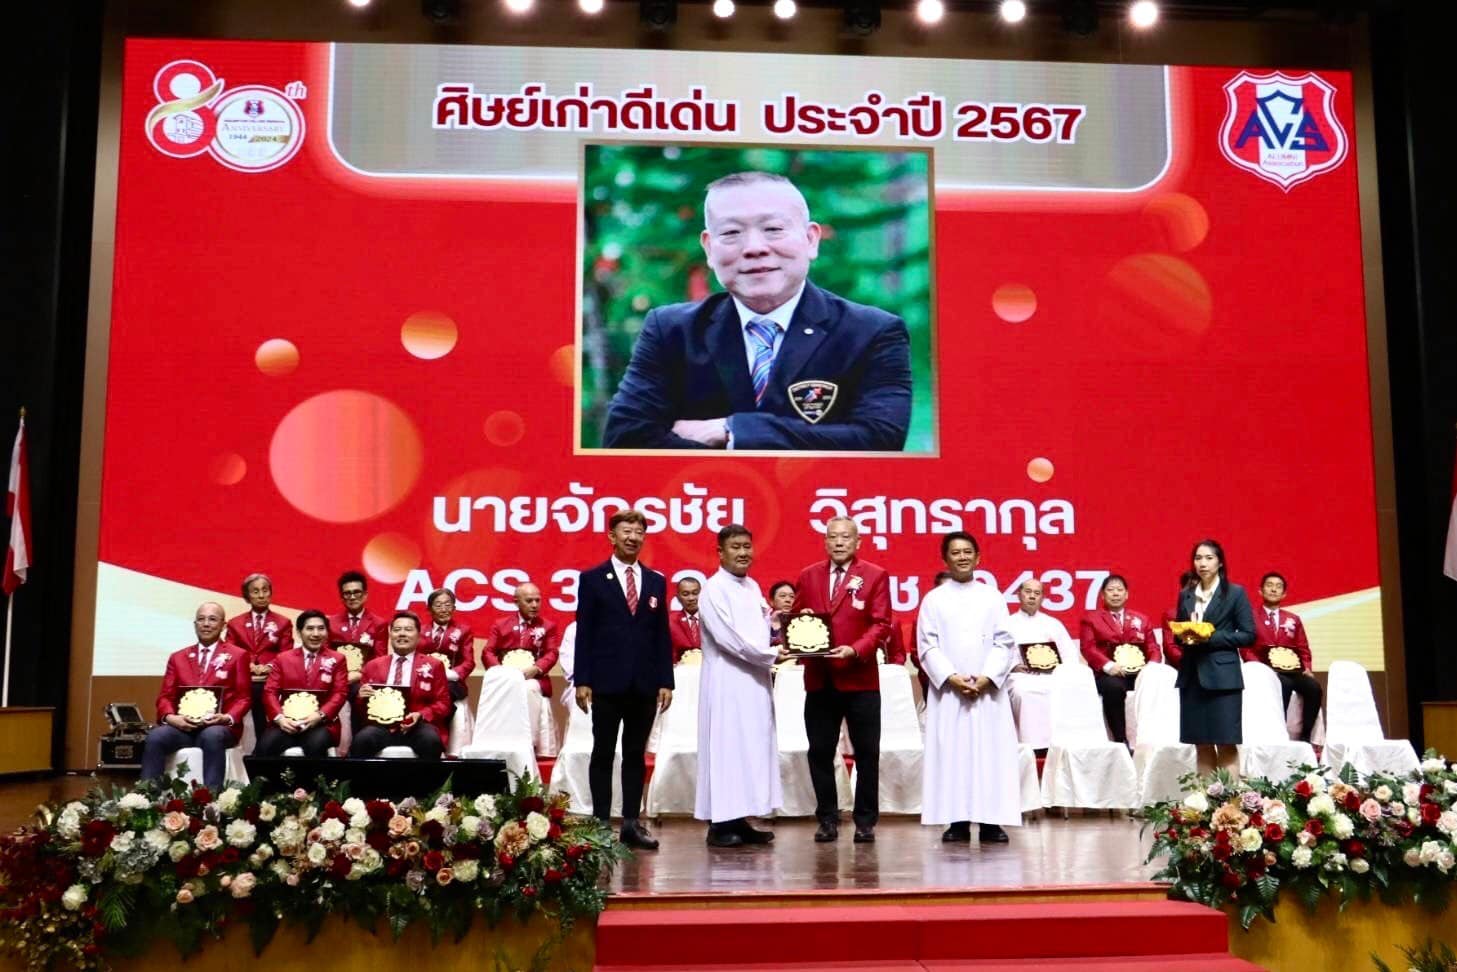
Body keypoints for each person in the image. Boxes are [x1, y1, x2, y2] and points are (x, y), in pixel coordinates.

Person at [601, 171, 913, 451]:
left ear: (811, 240)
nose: (753, 248)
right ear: (709, 248)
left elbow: (879, 440)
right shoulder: (672, 330)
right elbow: (625, 439)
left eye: (773, 228)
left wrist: (731, 431)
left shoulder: (871, 332)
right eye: (731, 233)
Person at [574, 510, 674, 850]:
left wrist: (666, 680)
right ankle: (601, 823)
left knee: (635, 755)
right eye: (626, 531)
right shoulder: (592, 579)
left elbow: (661, 634)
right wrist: (582, 679)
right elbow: (585, 633)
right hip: (605, 683)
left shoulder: (656, 581)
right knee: (603, 752)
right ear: (612, 537)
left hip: (644, 684)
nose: (633, 537)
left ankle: (631, 823)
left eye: (638, 532)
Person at [791, 517, 890, 843]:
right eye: (832, 537)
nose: (838, 542)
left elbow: (881, 624)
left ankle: (865, 821)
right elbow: (799, 616)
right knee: (820, 751)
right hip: (820, 679)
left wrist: (855, 650)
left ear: (858, 542)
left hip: (860, 679)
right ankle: (827, 819)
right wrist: (799, 626)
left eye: (845, 537)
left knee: (867, 753)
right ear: (825, 541)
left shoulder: (875, 575)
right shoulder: (808, 575)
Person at [917, 533, 1020, 844]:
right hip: (950, 692)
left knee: (990, 755)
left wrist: (987, 677)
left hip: (988, 692)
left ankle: (992, 822)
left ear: (978, 557)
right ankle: (957, 821)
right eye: (955, 553)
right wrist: (951, 677)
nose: (961, 557)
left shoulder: (993, 597)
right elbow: (927, 645)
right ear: (945, 559)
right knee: (953, 755)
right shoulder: (934, 599)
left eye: (967, 552)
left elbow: (1004, 642)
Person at [696, 524, 783, 847]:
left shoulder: (752, 586)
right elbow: (728, 639)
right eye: (736, 547)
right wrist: (770, 654)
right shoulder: (713, 589)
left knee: (752, 749)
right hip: (727, 682)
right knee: (727, 749)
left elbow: (760, 627)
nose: (743, 553)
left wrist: (777, 627)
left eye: (747, 546)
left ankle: (741, 818)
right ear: (720, 552)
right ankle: (720, 824)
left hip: (755, 681)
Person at [140, 602, 251, 791]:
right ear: (195, 624)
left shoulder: (238, 655)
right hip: (183, 727)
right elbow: (165, 697)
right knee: (156, 737)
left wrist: (226, 717)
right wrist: (171, 718)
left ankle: (211, 799)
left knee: (211, 735)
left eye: (212, 619)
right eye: (201, 619)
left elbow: (244, 698)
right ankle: (148, 797)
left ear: (223, 625)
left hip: (219, 727)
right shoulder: (178, 657)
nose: (206, 624)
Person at [1173, 539, 1254, 776]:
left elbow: (1248, 634)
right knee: (1201, 743)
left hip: (1223, 678)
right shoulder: (1186, 595)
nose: (1203, 563)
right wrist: (1185, 636)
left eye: (1209, 558)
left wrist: (1210, 636)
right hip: (1192, 677)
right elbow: (1179, 630)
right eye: (1198, 558)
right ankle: (1206, 798)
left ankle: (1229, 798)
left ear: (1220, 562)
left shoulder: (1235, 593)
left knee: (1226, 742)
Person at [351, 612, 451, 759]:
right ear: (390, 634)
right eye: (397, 630)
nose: (402, 634)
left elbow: (444, 704)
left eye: (408, 629)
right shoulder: (373, 665)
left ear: (418, 635)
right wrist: (361, 697)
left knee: (431, 741)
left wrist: (421, 715)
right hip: (381, 726)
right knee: (362, 740)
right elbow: (361, 709)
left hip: (418, 726)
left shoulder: (434, 665)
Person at [1079, 575, 1162, 744]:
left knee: (1158, 683)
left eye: (1119, 590)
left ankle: (1153, 739)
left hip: (1139, 673)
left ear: (1126, 594)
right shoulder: (1091, 619)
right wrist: (1108, 666)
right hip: (1109, 674)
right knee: (1114, 688)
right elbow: (1088, 648)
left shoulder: (1141, 619)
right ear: (1103, 595)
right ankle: (1121, 740)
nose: (1115, 594)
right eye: (1110, 590)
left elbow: (1153, 648)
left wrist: (1151, 667)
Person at [483, 582, 562, 755]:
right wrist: (501, 672)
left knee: (528, 689)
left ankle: (528, 741)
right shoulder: (500, 624)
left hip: (534, 677)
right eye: (529, 601)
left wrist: (536, 668)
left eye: (537, 600)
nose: (534, 605)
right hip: (506, 677)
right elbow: (488, 651)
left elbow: (552, 653)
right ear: (516, 602)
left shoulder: (548, 626)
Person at [256, 610, 348, 758]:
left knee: (315, 744)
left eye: (321, 628)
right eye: (310, 628)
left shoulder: (338, 659)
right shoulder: (282, 659)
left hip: (321, 723)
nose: (316, 634)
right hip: (287, 722)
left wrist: (320, 715)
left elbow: (340, 693)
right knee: (265, 746)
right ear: (299, 632)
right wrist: (280, 719)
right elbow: (270, 692)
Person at [1244, 572, 1322, 742]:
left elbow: (1303, 648)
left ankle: (1305, 737)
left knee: (1314, 688)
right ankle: (1278, 734)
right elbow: (1245, 647)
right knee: (1283, 685)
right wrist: (1261, 668)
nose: (1274, 589)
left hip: (1292, 670)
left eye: (1278, 587)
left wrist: (1307, 668)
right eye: (1269, 585)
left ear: (1284, 594)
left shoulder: (1293, 619)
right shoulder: (1250, 616)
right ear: (1260, 591)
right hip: (1265, 670)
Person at [1004, 578, 1077, 751]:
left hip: (1051, 675)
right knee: (1023, 691)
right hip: (1020, 676)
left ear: (1042, 598)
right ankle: (1030, 746)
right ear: (1018, 594)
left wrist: (1060, 669)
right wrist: (1013, 666)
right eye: (1028, 592)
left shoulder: (1053, 623)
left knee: (1062, 689)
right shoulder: (1006, 624)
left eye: (1037, 593)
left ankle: (1059, 745)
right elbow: (999, 654)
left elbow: (1069, 654)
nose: (1032, 596)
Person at [226, 573, 294, 738]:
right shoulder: (235, 623)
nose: (261, 595)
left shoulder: (283, 623)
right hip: (244, 676)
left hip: (271, 677)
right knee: (249, 690)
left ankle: (264, 741)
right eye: (255, 591)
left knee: (259, 690)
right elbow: (230, 652)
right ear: (247, 596)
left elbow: (286, 653)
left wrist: (269, 667)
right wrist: (248, 666)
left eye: (265, 590)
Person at [328, 571, 390, 683]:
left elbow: (379, 659)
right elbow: (325, 655)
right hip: (336, 679)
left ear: (365, 595)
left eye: (357, 592)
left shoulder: (379, 624)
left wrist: (359, 675)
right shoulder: (330, 623)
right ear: (342, 597)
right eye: (347, 593)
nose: (352, 597)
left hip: (366, 681)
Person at [421, 588, 475, 701]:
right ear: (429, 609)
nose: (444, 610)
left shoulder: (463, 631)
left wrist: (451, 674)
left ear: (454, 608)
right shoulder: (420, 631)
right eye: (438, 606)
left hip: (451, 682)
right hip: (423, 679)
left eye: (448, 605)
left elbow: (469, 662)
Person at [1160, 571, 1197, 669]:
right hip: (1182, 665)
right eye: (1191, 588)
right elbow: (1170, 647)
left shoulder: (1214, 613)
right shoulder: (1172, 615)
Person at [669, 577, 704, 664]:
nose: (691, 598)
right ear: (678, 598)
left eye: (695, 593)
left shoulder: (713, 618)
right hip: (680, 669)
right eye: (685, 594)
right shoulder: (670, 621)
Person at [767, 580, 795, 647]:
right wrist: (773, 625)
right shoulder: (762, 622)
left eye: (792, 596)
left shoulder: (798, 622)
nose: (788, 600)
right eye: (783, 596)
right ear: (771, 601)